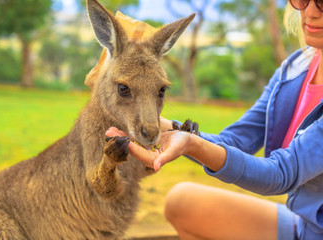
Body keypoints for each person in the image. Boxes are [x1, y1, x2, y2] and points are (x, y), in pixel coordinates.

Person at [106, 1, 323, 239]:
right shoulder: (295, 68)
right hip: (303, 224)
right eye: (303, 0)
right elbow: (235, 141)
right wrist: (165, 126)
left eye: (321, 4)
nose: (309, 13)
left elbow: (281, 173)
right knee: (182, 201)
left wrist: (192, 144)